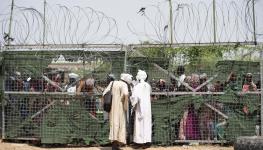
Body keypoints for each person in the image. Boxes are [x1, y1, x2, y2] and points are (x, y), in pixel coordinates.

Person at [103, 73, 133, 150]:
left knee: (113, 124)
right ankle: (118, 144)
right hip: (120, 107)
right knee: (120, 124)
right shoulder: (124, 84)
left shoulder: (113, 82)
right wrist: (125, 104)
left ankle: (114, 144)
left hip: (112, 108)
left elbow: (104, 93)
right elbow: (126, 93)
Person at [130, 70, 152, 148]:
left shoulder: (137, 86)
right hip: (147, 108)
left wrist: (131, 99)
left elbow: (135, 98)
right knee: (147, 124)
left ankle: (139, 142)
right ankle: (147, 142)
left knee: (139, 124)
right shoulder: (148, 85)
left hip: (140, 107)